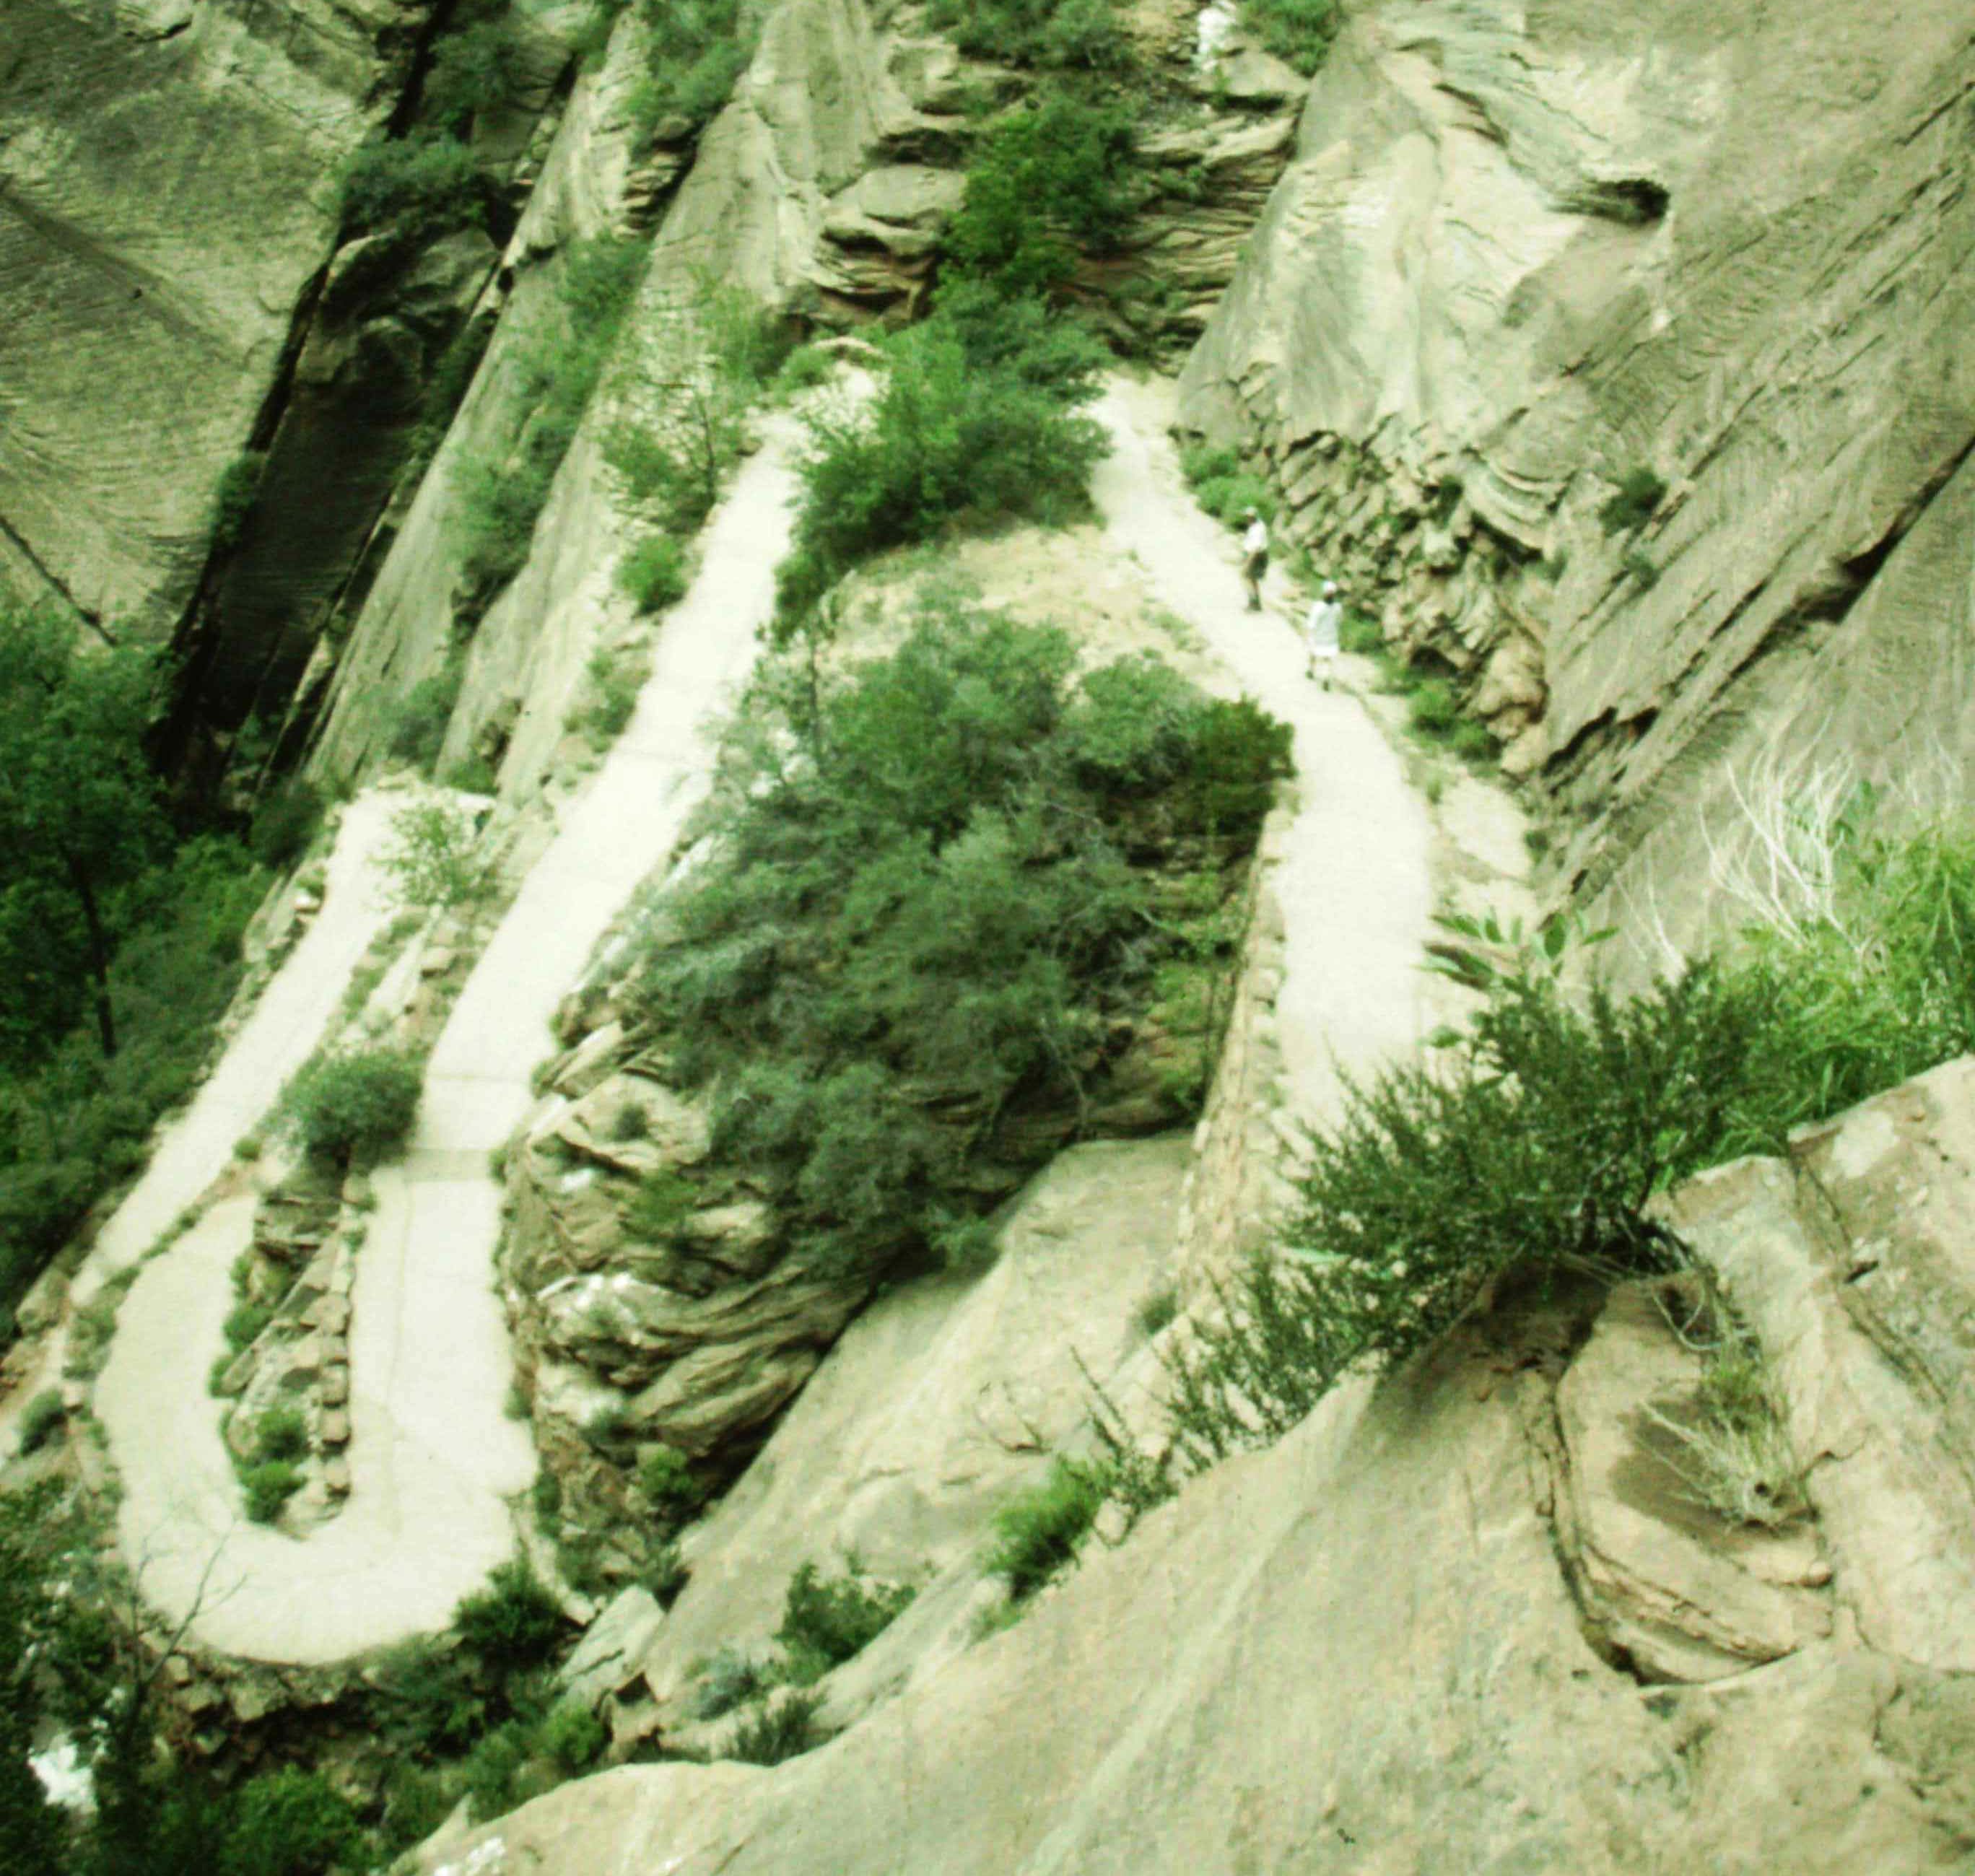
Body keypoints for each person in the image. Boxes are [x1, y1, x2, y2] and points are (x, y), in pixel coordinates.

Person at [1303, 579, 1343, 686]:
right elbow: (1339, 621)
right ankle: (1326, 676)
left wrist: (1308, 633)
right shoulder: (1338, 608)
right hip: (1331, 637)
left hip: (1318, 636)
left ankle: (1311, 670)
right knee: (1327, 658)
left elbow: (1312, 623)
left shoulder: (1318, 607)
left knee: (1312, 652)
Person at [1240, 508, 1269, 611]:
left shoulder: (1257, 529)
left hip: (1255, 556)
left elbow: (1256, 548)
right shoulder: (1259, 525)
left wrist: (1248, 562)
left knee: (1246, 578)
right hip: (1258, 555)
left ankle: (1253, 603)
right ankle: (1257, 603)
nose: (1246, 519)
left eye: (1247, 517)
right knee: (1253, 580)